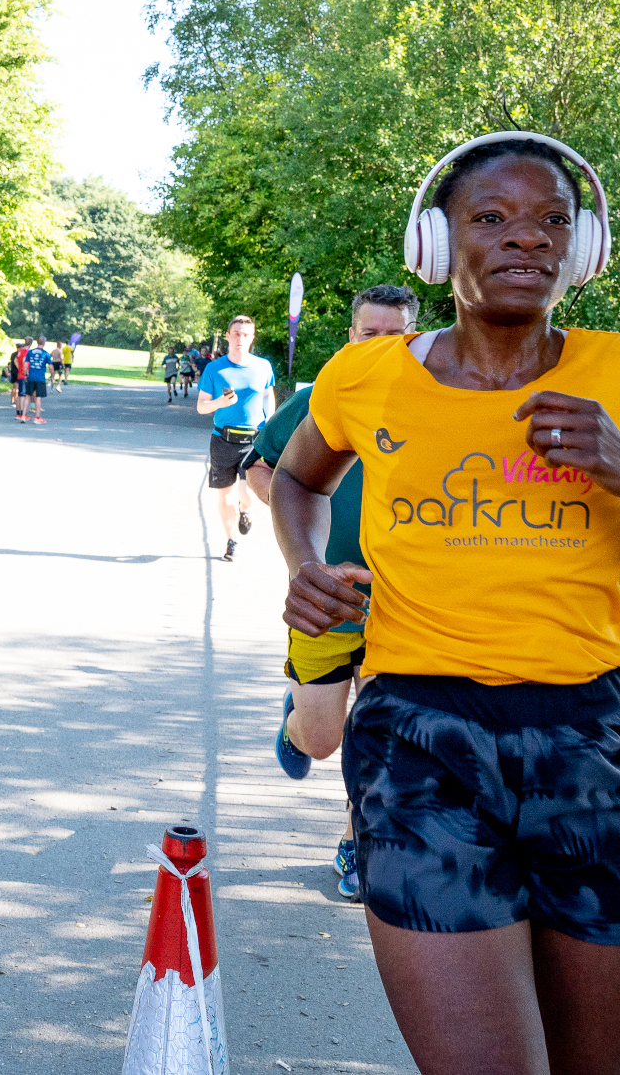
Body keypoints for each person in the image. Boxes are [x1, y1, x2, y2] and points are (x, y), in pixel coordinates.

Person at [274, 133, 620, 1075]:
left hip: (584, 744)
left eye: (553, 220)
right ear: (436, 245)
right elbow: (300, 480)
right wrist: (303, 564)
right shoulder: (363, 377)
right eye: (492, 218)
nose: (528, 240)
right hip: (418, 741)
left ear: (582, 249)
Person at [244, 285, 418, 900]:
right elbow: (263, 468)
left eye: (393, 335)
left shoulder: (438, 403)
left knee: (379, 738)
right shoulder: (325, 396)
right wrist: (307, 546)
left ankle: (356, 843)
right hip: (326, 598)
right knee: (323, 742)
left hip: (405, 606)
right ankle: (297, 721)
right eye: (369, 333)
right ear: (351, 336)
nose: (380, 345)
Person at [197, 315, 274, 561]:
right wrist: (220, 402)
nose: (240, 339)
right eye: (236, 334)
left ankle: (247, 510)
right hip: (222, 439)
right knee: (225, 496)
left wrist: (270, 422)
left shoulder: (263, 366)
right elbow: (201, 407)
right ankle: (231, 539)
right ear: (228, 336)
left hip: (254, 440)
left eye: (246, 335)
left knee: (247, 491)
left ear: (252, 338)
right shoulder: (214, 368)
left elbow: (267, 396)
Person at [18, 337, 53, 424]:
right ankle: (37, 417)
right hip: (40, 378)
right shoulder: (46, 354)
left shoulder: (30, 352)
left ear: (37, 342)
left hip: (31, 377)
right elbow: (51, 367)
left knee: (27, 396)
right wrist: (52, 376)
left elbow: (25, 365)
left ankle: (23, 415)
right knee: (38, 397)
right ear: (44, 343)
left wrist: (26, 374)